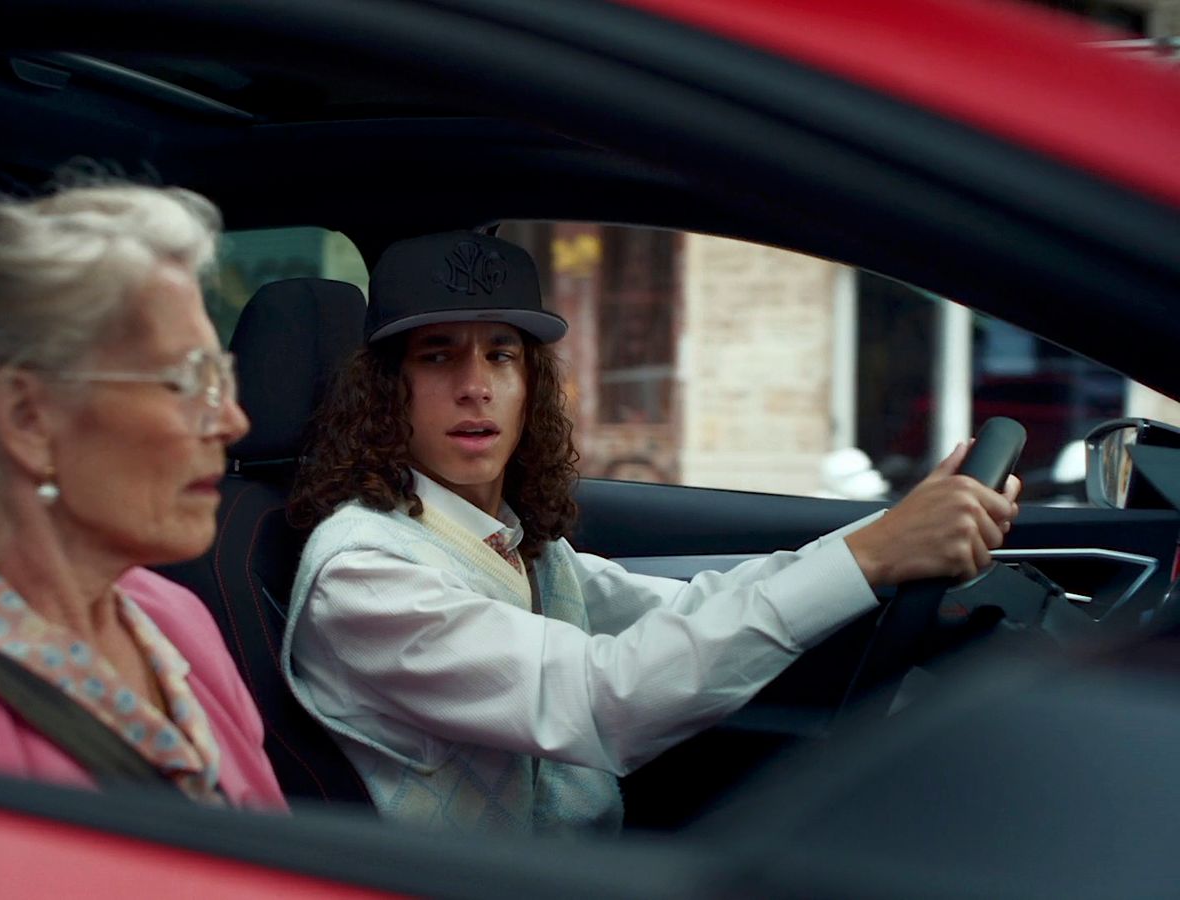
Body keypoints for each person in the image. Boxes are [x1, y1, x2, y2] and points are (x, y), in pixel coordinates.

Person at [282, 230, 1019, 835]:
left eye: (501, 355)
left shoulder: (500, 539)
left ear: (530, 384)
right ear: (387, 391)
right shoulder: (366, 573)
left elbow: (690, 609)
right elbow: (607, 699)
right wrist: (871, 555)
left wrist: (887, 536)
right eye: (438, 355)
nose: (476, 384)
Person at [0, 183, 287, 811]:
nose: (232, 421)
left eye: (220, 376)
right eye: (185, 379)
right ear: (29, 418)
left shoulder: (172, 619)